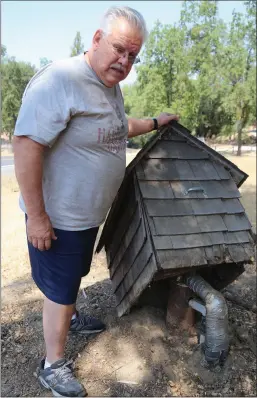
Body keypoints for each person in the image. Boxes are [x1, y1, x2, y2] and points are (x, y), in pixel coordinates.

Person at [13, 5, 179, 397]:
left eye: (132, 56)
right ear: (98, 39)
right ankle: (52, 364)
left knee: (73, 277)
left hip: (86, 216)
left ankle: (67, 315)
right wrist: (37, 217)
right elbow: (25, 144)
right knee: (59, 288)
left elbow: (120, 128)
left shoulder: (109, 87)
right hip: (59, 218)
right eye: (119, 49)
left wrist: (155, 122)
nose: (124, 61)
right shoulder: (62, 80)